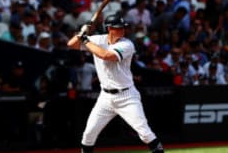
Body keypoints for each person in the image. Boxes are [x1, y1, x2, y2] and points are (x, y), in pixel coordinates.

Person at [67, 13, 165, 153]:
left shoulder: (127, 44)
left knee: (144, 133)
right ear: (109, 29)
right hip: (105, 98)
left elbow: (107, 56)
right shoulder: (98, 39)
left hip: (127, 96)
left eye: (123, 27)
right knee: (88, 135)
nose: (122, 30)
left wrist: (85, 40)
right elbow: (71, 44)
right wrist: (82, 32)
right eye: (118, 27)